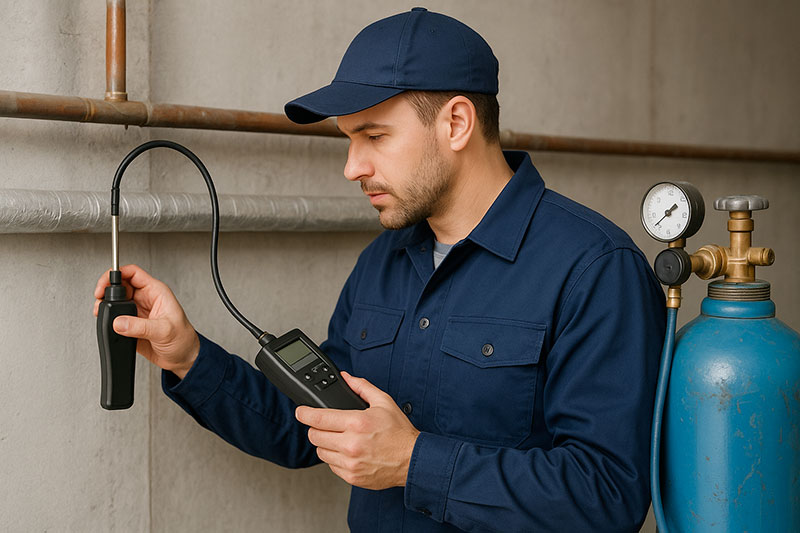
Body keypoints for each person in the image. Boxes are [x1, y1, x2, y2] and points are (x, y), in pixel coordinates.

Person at [93, 8, 665, 532]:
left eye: (374, 137)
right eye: (348, 140)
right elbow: (308, 426)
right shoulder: (382, 262)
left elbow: (607, 495)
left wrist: (414, 464)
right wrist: (187, 356)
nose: (351, 167)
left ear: (457, 123)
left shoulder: (594, 270)